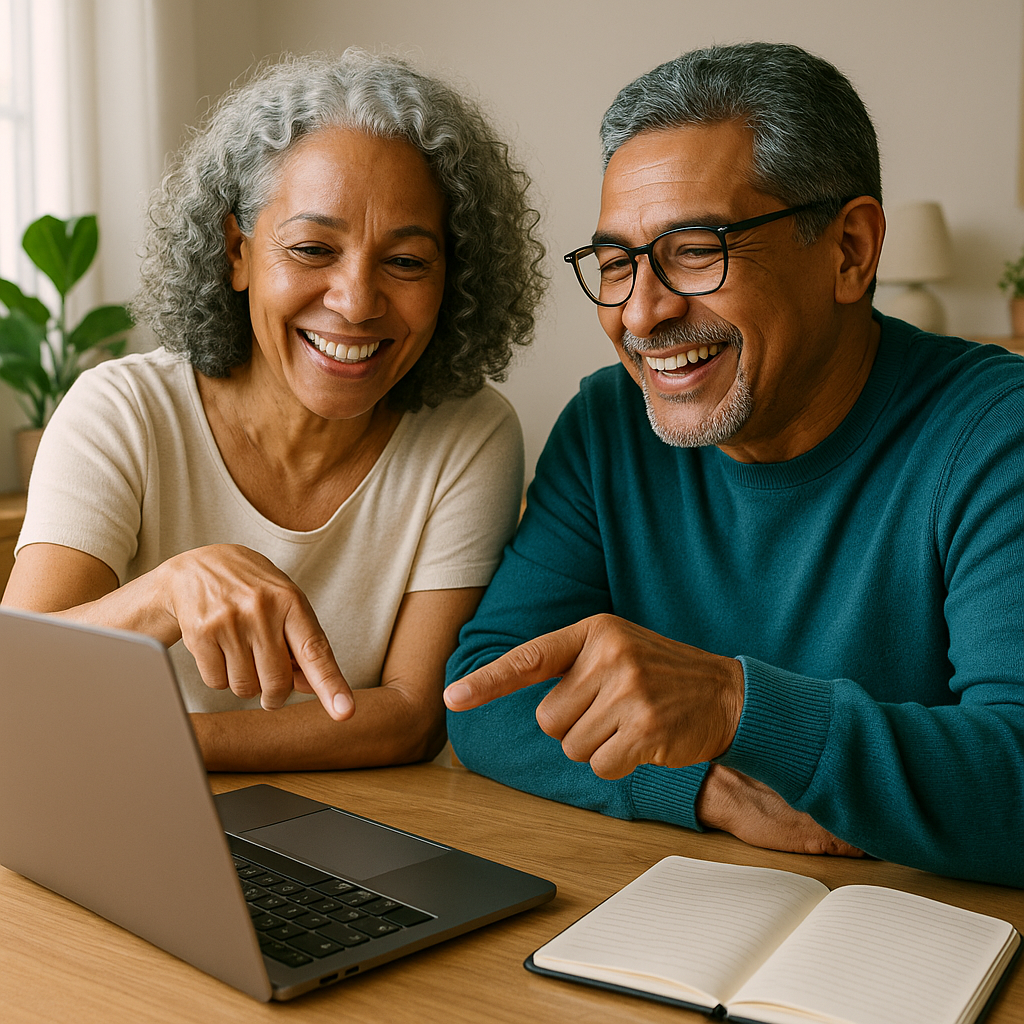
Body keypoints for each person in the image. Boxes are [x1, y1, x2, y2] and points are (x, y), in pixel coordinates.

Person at [444, 42, 1024, 888]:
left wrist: (735, 707)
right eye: (615, 264)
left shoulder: (996, 432)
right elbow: (485, 695)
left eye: (694, 250)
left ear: (851, 251)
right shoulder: (606, 426)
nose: (641, 312)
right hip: (677, 915)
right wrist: (703, 783)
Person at [3, 50, 545, 772]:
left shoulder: (469, 434)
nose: (355, 301)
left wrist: (156, 744)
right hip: (137, 815)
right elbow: (18, 683)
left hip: (352, 831)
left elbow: (413, 718)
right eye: (313, 249)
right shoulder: (123, 411)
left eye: (407, 262)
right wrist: (167, 591)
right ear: (237, 252)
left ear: (455, 275)